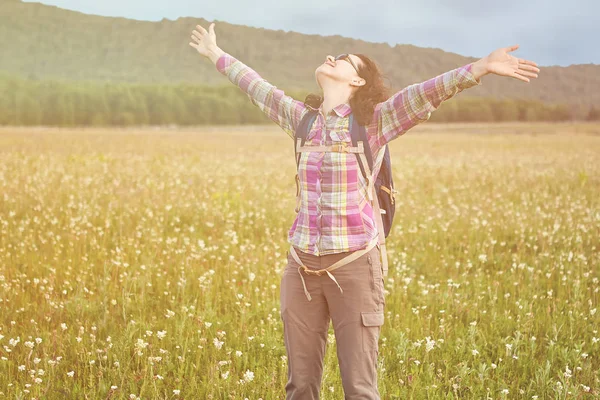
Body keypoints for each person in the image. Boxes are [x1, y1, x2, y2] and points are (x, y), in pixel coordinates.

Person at [189, 22, 540, 399]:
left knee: (359, 388)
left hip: (354, 267)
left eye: (343, 61)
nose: (330, 59)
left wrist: (480, 67)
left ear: (357, 82)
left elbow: (423, 95)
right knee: (299, 386)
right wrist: (214, 53)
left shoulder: (373, 123)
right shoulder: (302, 121)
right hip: (301, 268)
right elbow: (256, 87)